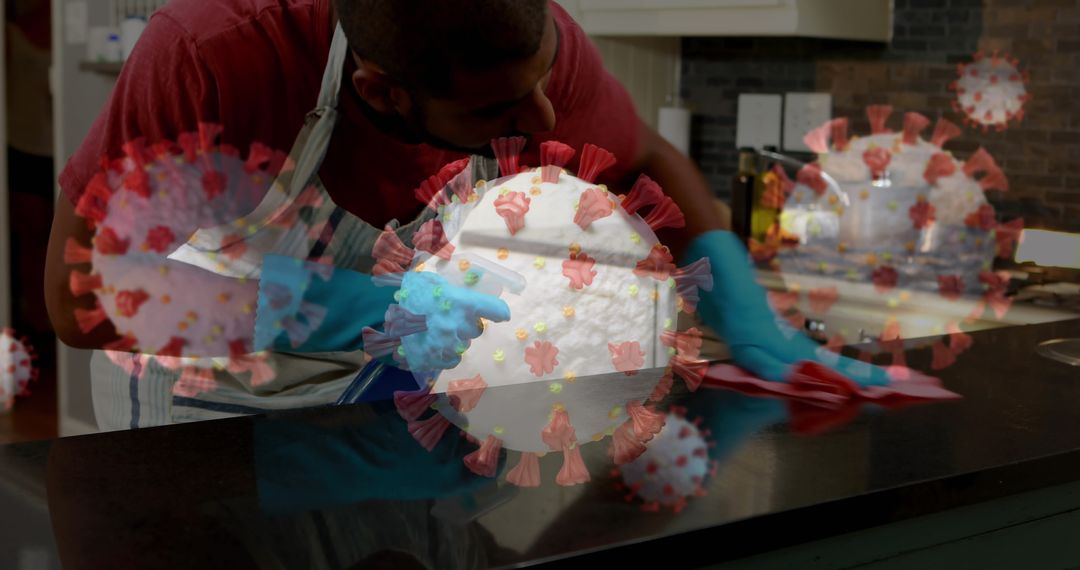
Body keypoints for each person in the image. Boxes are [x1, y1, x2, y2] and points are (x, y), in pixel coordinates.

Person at [44, 0, 888, 430]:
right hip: (207, 424)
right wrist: (348, 308)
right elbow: (77, 297)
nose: (548, 121)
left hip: (386, 417)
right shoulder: (219, 60)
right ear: (383, 92)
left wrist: (743, 306)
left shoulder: (519, 40)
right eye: (497, 112)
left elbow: (648, 161)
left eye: (544, 81)